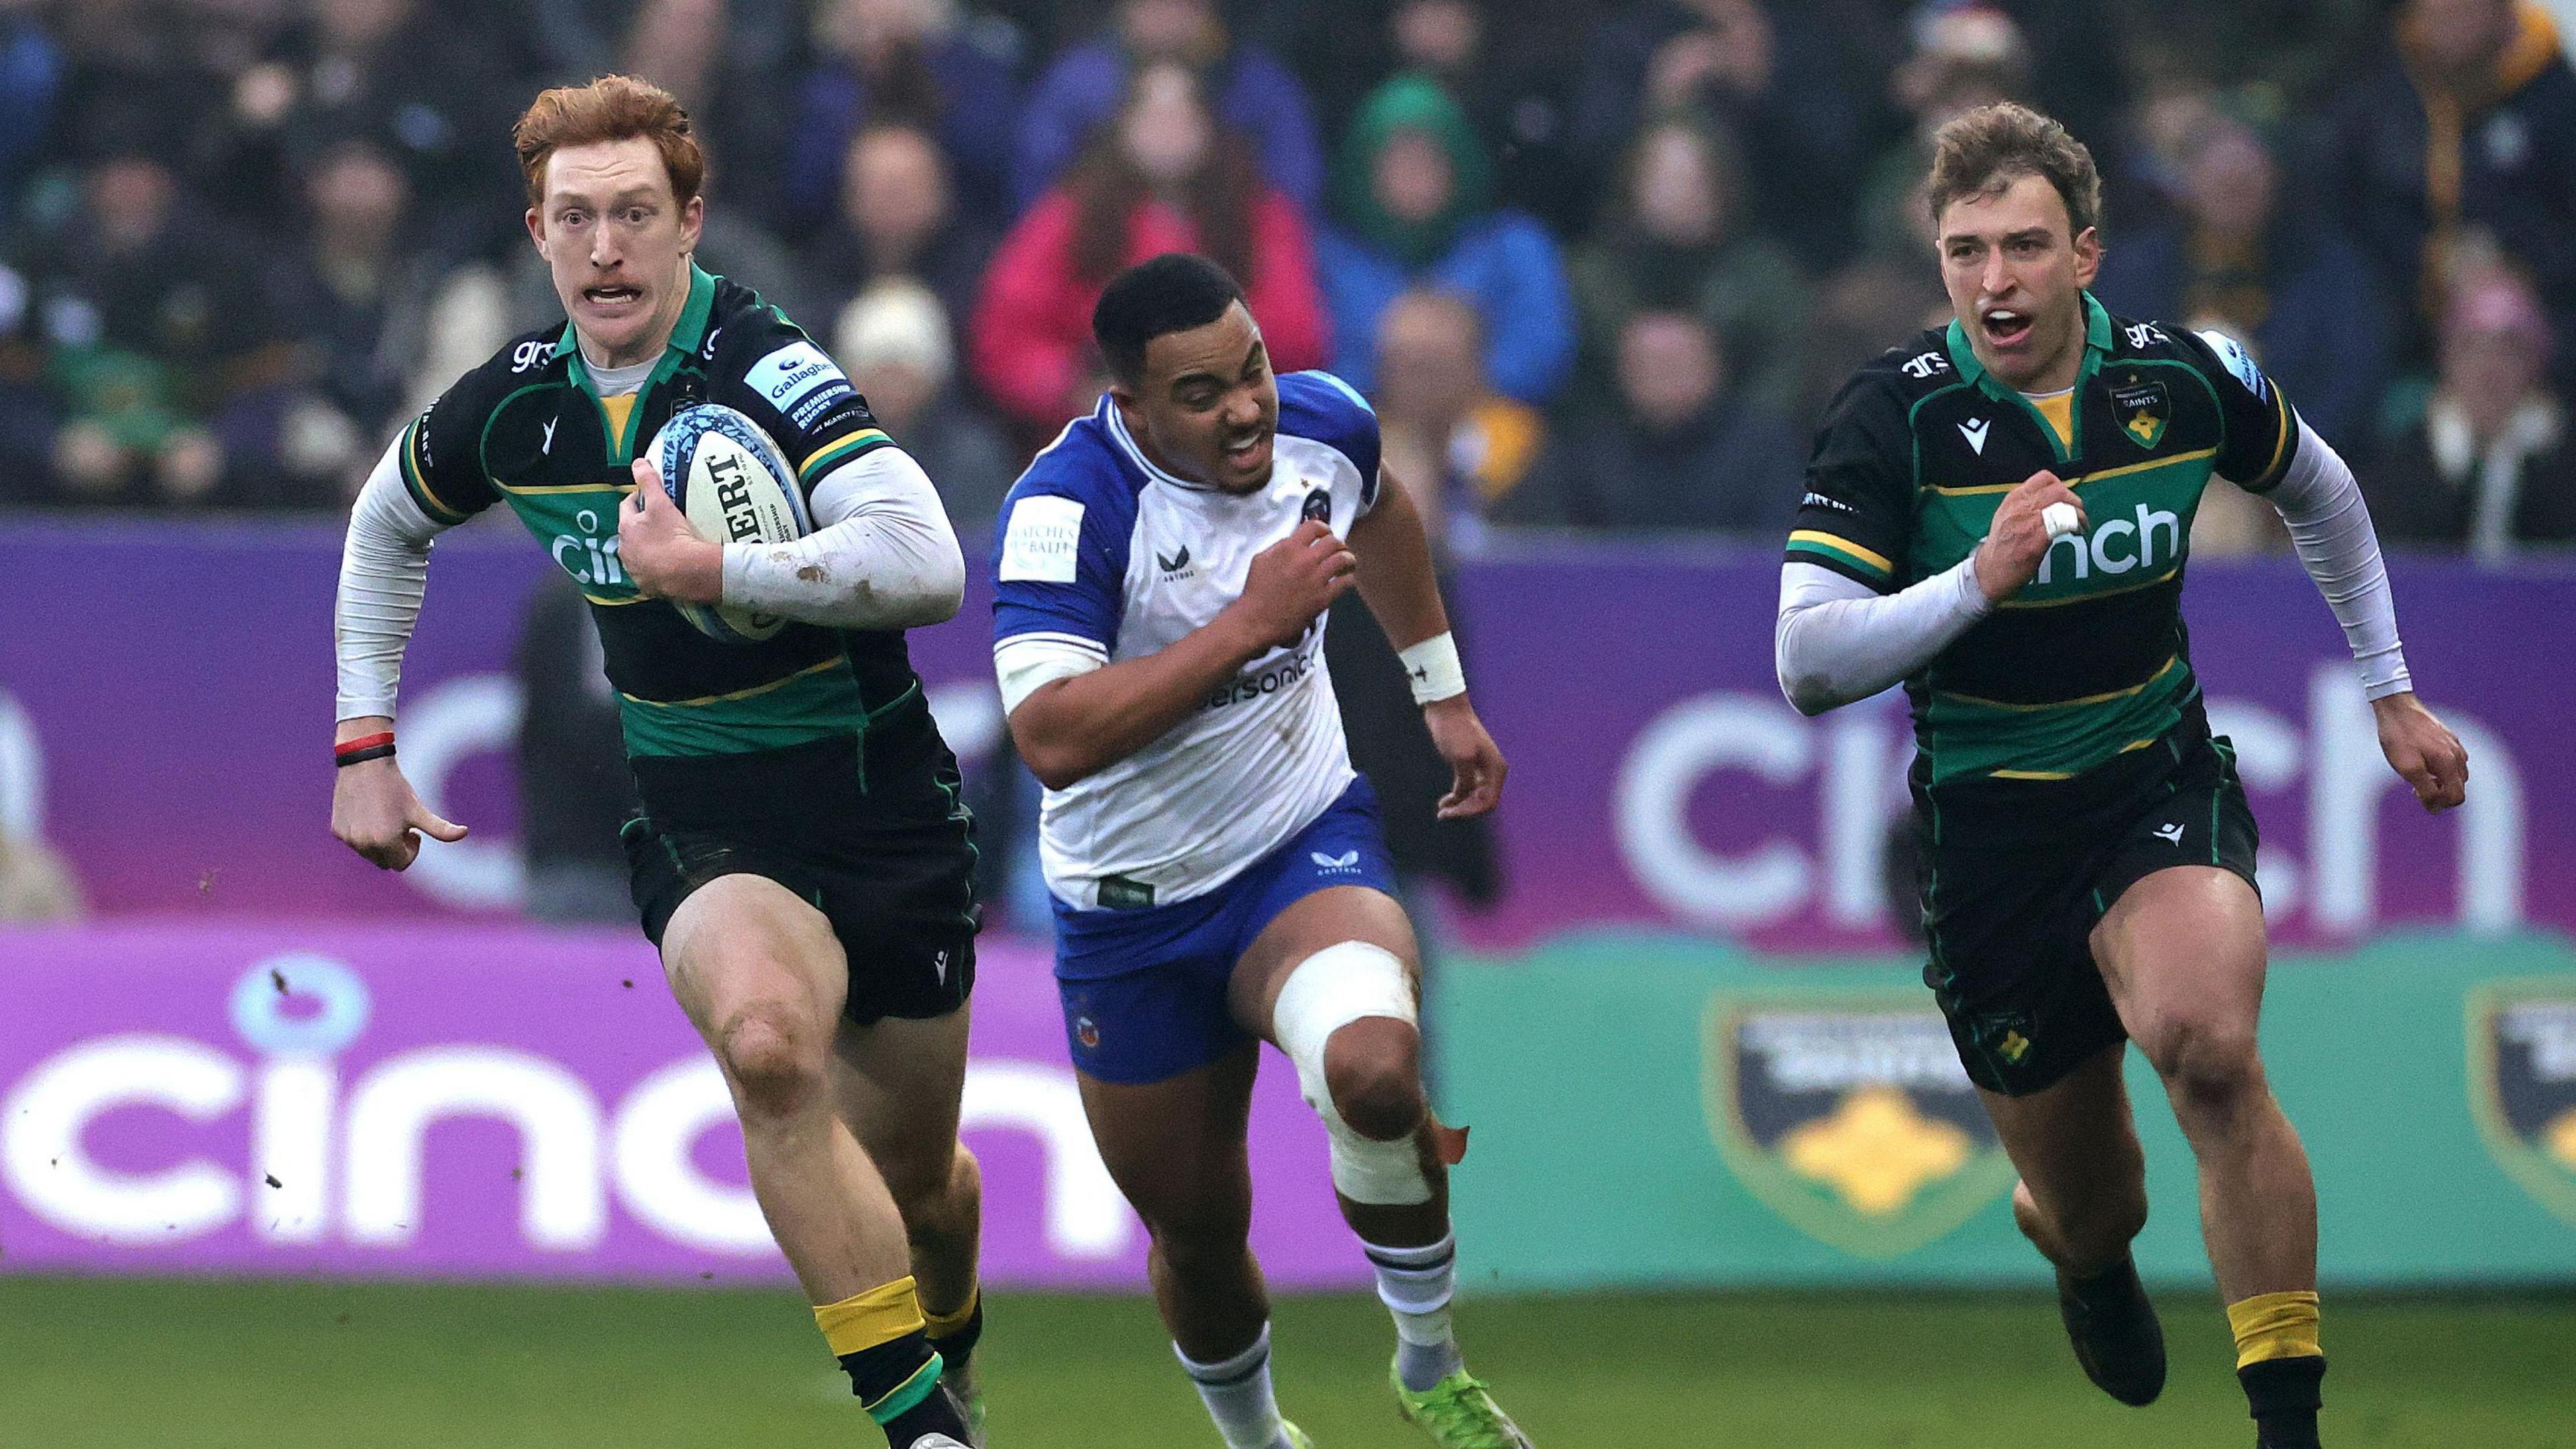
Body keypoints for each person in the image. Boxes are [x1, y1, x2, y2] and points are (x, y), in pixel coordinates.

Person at [1775, 103, 2469, 1449]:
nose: (1995, 281)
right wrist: (1979, 578)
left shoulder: (2182, 376)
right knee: (2099, 1203)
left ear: (2086, 255)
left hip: (2152, 775)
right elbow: (1807, 662)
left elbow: (2321, 491)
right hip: (1987, 840)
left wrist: (2388, 688)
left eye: (2025, 246)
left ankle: (2288, 1428)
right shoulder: (1893, 417)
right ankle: (2083, 1259)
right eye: (1966, 251)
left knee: (2210, 1051)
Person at [326, 76, 985, 1449]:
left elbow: (930, 564)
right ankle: (927, 1432)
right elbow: (386, 525)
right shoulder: (514, 405)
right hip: (698, 807)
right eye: (577, 219)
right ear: (538, 232)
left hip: (878, 801)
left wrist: (720, 565)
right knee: (765, 1046)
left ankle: (952, 1336)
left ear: (691, 223)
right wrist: (364, 743)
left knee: (924, 1190)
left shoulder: (766, 365)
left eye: (635, 214)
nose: (606, 248)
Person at [989, 253, 1529, 1449]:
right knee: (1196, 1232)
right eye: (1201, 394)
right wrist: (1252, 623)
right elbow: (1051, 735)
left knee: (1378, 1073)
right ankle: (1257, 1439)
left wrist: (1439, 693)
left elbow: (1380, 507)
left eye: (1253, 371)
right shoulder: (1067, 509)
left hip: (1299, 845)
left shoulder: (1324, 424)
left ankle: (1431, 1363)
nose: (1245, 409)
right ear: (1130, 406)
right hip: (1133, 914)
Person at [971, 61, 1328, 438]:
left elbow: (1300, 334)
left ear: (1209, 127)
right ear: (1123, 125)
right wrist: (1073, 389)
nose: (1167, 133)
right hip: (1098, 435)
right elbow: (1007, 333)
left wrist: (1209, 369)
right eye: (1152, 116)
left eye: (1181, 117)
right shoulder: (1067, 217)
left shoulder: (1259, 218)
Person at [1313, 74, 1574, 408]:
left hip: (1492, 425)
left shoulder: (1514, 246)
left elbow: (1544, 348)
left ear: (1460, 166)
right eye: (1396, 164)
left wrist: (1454, 387)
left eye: (1428, 162)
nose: (1413, 178)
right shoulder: (1330, 257)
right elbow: (1322, 363)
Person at [1505, 309, 1803, 535]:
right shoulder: (1587, 453)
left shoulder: (1765, 449)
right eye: (1650, 365)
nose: (1666, 378)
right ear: (1623, 373)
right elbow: (1532, 538)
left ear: (1714, 368)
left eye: (1678, 363)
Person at [2366, 265, 2576, 557]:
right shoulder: (2401, 464)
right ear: (2447, 361)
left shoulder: (2564, 463)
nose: (2489, 369)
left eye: (2508, 348)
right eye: (2471, 348)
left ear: (2534, 362)